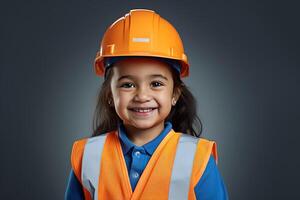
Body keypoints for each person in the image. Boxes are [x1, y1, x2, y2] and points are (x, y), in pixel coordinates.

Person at [65, 9, 229, 200]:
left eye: (156, 84)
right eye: (128, 85)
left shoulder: (197, 159)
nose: (142, 95)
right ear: (110, 94)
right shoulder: (88, 157)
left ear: (175, 94)